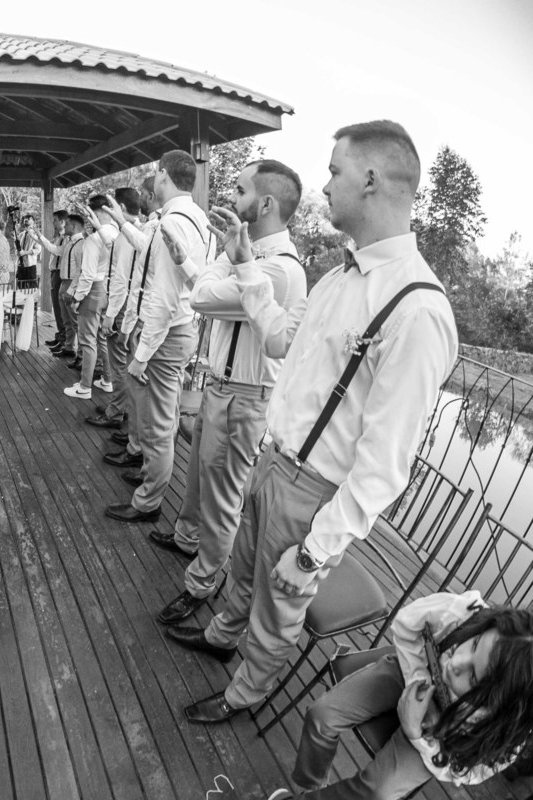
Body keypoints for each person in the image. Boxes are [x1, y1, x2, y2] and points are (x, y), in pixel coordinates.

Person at [164, 121, 459, 727]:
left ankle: (245, 693)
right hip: (272, 459)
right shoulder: (336, 277)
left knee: (279, 605)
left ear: (370, 179)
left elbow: (384, 466)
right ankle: (221, 635)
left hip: (315, 490)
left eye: (333, 172)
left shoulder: (418, 309)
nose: (324, 187)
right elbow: (277, 339)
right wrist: (245, 265)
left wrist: (315, 552)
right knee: (243, 569)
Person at [148, 160, 308, 625]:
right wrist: (218, 257)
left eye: (240, 190)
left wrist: (229, 253)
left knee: (222, 497)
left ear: (266, 203)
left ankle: (203, 581)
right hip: (221, 387)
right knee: (199, 477)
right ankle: (186, 539)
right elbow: (209, 287)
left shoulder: (278, 270)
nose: (231, 199)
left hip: (245, 395)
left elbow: (202, 298)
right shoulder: (252, 260)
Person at [268, 592, 533, 799]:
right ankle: (312, 789)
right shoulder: (465, 612)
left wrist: (416, 733)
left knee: (378, 793)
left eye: (473, 678)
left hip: (439, 738)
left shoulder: (508, 735)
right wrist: (419, 680)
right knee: (321, 716)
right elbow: (407, 623)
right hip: (412, 670)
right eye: (474, 644)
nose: (457, 663)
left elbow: (465, 772)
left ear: (502, 709)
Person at [105, 150, 208, 525]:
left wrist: (142, 355)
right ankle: (151, 474)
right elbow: (150, 252)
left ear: (163, 176)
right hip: (178, 330)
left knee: (158, 425)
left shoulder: (172, 224)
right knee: (160, 419)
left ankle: (148, 501)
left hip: (164, 335)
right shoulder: (195, 218)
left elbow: (164, 297)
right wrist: (122, 223)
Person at [85, 184, 149, 434]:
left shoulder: (128, 235)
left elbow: (121, 279)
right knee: (123, 363)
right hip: (127, 307)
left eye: (111, 206)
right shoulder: (135, 232)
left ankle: (116, 412)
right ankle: (120, 405)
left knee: (119, 364)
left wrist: (110, 315)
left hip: (121, 307)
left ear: (120, 207)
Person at [66, 195, 120, 400]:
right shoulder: (117, 233)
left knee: (87, 340)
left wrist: (77, 298)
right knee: (101, 338)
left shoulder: (94, 239)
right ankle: (107, 380)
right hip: (108, 289)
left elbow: (87, 274)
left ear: (96, 213)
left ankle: (84, 387)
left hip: (93, 289)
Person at [39, 214, 86, 365]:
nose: (65, 227)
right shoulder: (69, 242)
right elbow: (56, 250)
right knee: (66, 319)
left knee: (75, 321)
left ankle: (81, 355)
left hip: (71, 283)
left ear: (74, 226)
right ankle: (69, 347)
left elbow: (80, 269)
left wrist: (72, 289)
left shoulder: (81, 244)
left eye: (68, 224)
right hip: (64, 281)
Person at [42, 210, 70, 351]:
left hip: (60, 273)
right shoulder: (58, 237)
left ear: (62, 222)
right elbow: (49, 246)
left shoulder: (67, 238)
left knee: (60, 307)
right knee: (56, 306)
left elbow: (56, 250)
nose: (53, 223)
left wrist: (40, 237)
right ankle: (60, 335)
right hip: (54, 272)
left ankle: (64, 339)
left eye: (55, 220)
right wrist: (36, 236)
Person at [15, 213, 42, 283]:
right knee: (20, 286)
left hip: (30, 265)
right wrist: (17, 252)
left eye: (29, 218)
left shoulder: (36, 235)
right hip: (20, 265)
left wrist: (24, 253)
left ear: (33, 221)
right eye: (25, 218)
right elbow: (17, 249)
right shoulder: (21, 235)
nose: (26, 220)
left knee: (32, 286)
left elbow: (38, 250)